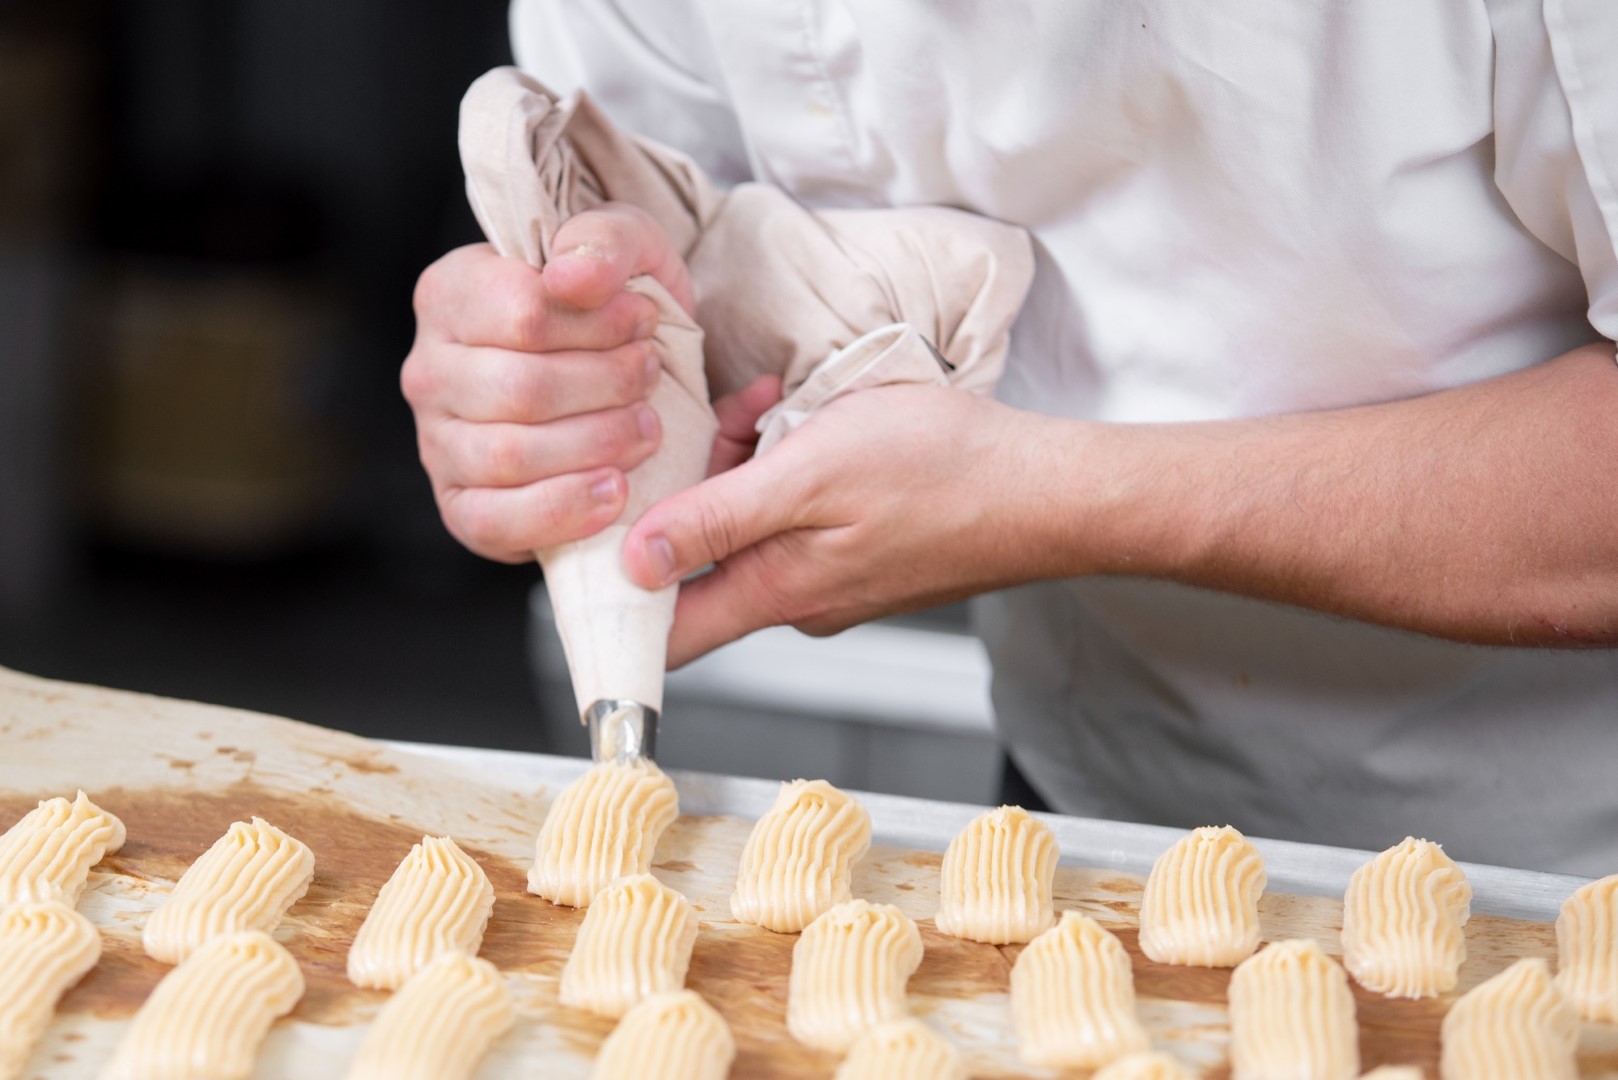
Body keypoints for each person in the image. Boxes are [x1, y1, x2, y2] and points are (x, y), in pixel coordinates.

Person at [402, 1, 1618, 876]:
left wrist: (1054, 500)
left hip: (1559, 844)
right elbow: (676, 217)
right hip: (1094, 804)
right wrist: (562, 384)